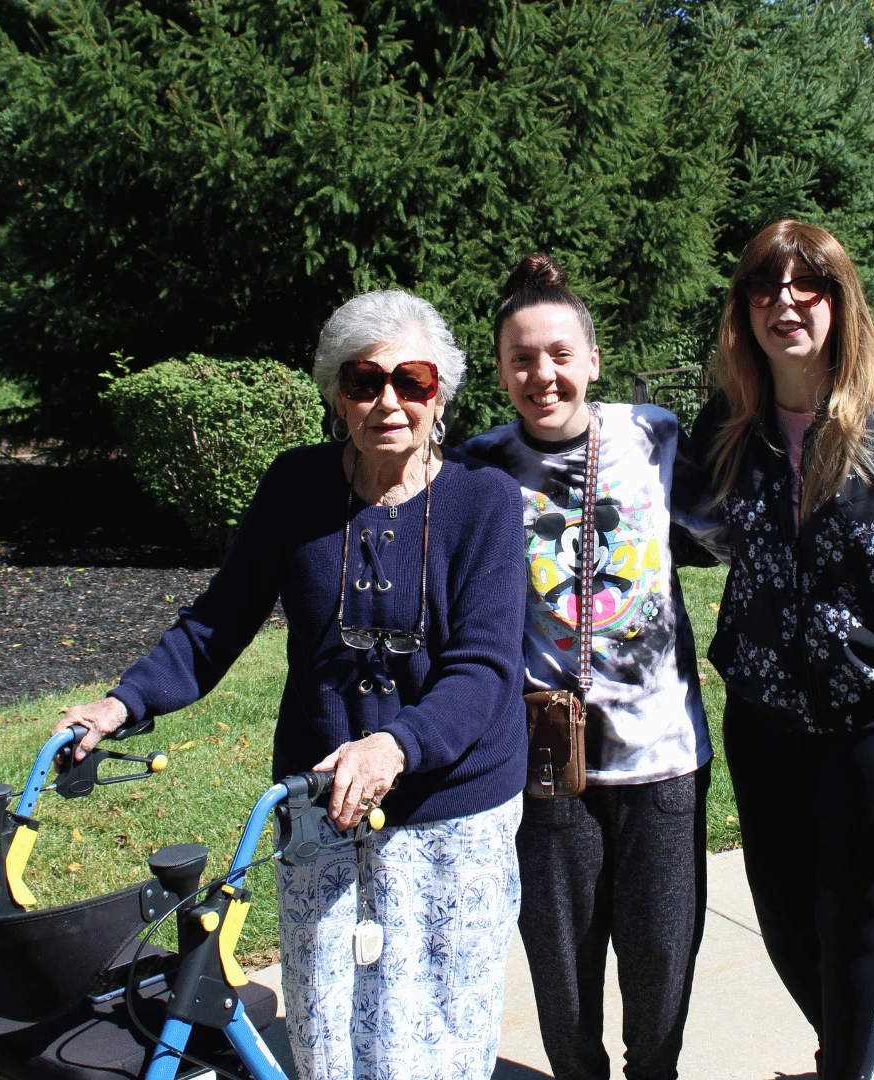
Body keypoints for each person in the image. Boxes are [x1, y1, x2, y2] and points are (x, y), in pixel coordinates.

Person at [52, 290, 529, 1080]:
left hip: (451, 807)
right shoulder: (295, 487)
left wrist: (394, 746)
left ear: (441, 391)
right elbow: (219, 619)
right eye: (363, 381)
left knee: (437, 1026)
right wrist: (123, 701)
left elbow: (483, 669)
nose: (387, 402)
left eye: (412, 381)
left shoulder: (483, 502)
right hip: (319, 804)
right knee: (327, 1015)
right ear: (334, 393)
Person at [691, 219, 874, 1080]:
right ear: (743, 309)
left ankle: (845, 1069)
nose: (785, 302)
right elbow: (672, 523)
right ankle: (845, 1049)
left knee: (857, 918)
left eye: (806, 285)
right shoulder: (731, 422)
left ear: (838, 298)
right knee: (782, 918)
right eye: (765, 287)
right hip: (765, 718)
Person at [464, 253, 727, 1080]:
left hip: (663, 763)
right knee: (566, 1005)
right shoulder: (479, 468)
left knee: (661, 995)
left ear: (593, 360)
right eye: (522, 358)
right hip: (548, 770)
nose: (543, 375)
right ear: (503, 370)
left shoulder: (655, 434)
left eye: (559, 354)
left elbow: (739, 522)